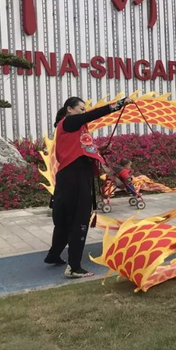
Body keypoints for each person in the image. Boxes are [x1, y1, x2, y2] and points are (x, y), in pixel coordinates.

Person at [45, 96, 133, 278]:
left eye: (84, 110)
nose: (84, 112)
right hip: (76, 178)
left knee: (65, 221)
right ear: (70, 109)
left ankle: (53, 255)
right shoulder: (69, 121)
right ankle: (74, 267)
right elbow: (92, 115)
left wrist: (99, 151)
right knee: (79, 219)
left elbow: (79, 151)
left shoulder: (73, 128)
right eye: (81, 109)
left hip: (70, 177)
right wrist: (119, 104)